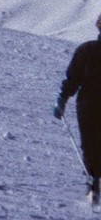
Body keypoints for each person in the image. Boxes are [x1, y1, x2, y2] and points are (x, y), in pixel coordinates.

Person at [58, 16, 101, 204]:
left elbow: (73, 78)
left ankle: (94, 185)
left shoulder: (86, 49)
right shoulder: (86, 49)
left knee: (91, 144)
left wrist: (62, 99)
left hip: (88, 104)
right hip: (89, 103)